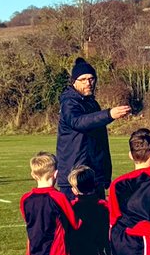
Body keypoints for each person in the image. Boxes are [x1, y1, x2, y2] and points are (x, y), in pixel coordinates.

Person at [55, 57, 132, 194]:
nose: (88, 83)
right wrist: (109, 114)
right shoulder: (69, 103)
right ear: (73, 82)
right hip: (74, 177)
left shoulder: (92, 103)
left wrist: (104, 174)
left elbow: (100, 142)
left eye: (91, 79)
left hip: (94, 176)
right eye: (83, 79)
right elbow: (77, 122)